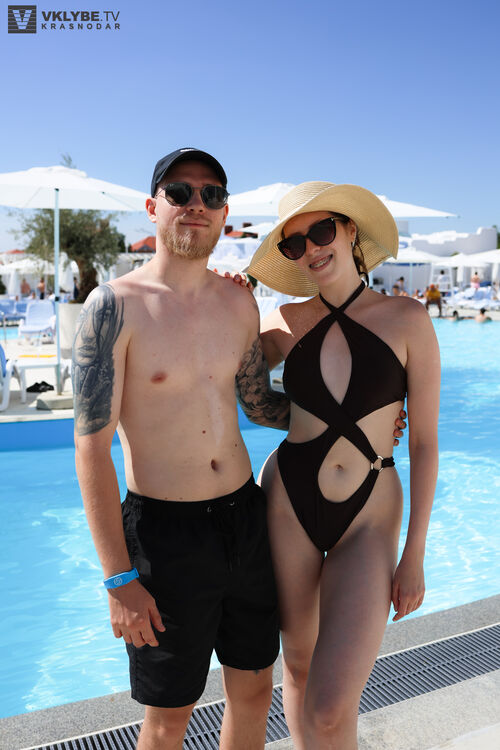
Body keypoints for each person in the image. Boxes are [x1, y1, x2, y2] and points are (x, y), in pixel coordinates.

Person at [73, 150, 407, 750]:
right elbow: (90, 449)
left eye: (211, 195)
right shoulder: (114, 307)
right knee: (169, 717)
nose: (196, 205)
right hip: (166, 533)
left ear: (225, 213)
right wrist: (118, 578)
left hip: (247, 518)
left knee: (254, 692)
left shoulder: (237, 303)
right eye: (180, 193)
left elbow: (259, 405)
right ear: (153, 207)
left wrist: (362, 424)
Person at [245, 181, 440, 749]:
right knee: (298, 667)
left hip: (369, 514)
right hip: (289, 502)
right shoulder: (283, 322)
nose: (311, 248)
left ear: (350, 230)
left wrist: (415, 554)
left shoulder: (407, 319)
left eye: (322, 231)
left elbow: (425, 442)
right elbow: (242, 392)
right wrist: (229, 298)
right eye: (294, 244)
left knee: (331, 707)